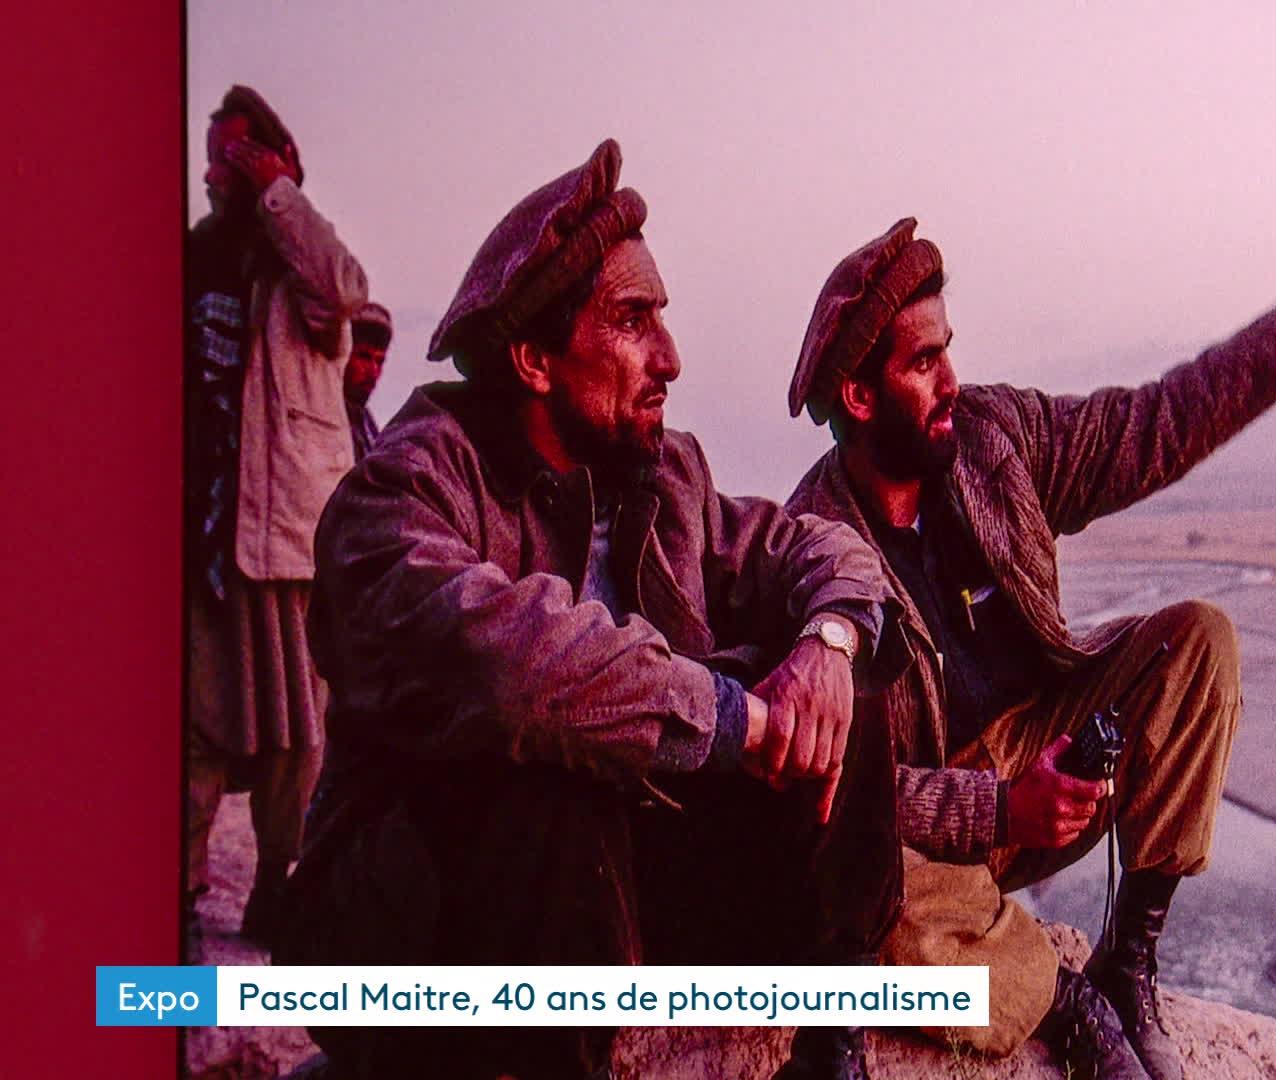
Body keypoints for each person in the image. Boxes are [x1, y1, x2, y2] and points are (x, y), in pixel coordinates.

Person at [281, 139, 903, 1080]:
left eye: (664, 318)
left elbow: (816, 548)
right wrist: (735, 716)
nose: (671, 358)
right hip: (409, 925)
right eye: (632, 321)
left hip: (608, 902)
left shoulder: (664, 476)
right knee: (551, 774)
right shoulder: (402, 492)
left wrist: (828, 643)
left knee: (841, 701)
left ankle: (824, 1040)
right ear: (533, 358)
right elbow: (513, 672)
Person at [785, 213, 1276, 1077]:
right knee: (882, 927)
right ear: (859, 398)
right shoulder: (812, 551)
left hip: (1052, 760)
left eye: (948, 350)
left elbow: (1156, 423)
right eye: (923, 362)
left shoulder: (993, 440)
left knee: (1199, 642)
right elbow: (844, 793)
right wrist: (1000, 807)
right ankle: (1054, 991)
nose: (951, 380)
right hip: (935, 829)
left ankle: (1127, 962)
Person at [184, 84, 368, 952]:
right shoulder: (197, 255)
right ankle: (179, 886)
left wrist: (279, 193)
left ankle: (275, 888)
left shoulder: (302, 271)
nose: (216, 172)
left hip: (286, 532)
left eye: (235, 156)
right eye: (214, 155)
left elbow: (344, 292)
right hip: (202, 529)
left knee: (296, 733)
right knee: (193, 723)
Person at [344, 301, 392, 460]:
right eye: (364, 357)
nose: (373, 371)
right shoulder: (325, 416)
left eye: (380, 361)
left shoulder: (368, 426)